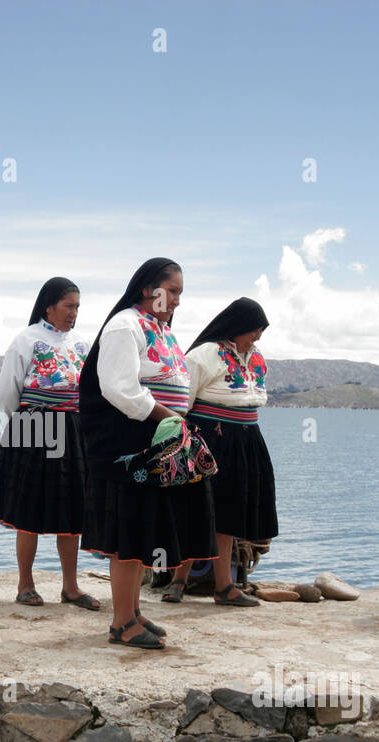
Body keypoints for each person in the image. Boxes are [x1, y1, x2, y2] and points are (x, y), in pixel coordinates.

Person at [79, 257, 218, 650]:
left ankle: (134, 612)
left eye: (179, 294)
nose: (176, 300)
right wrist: (169, 418)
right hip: (133, 445)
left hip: (157, 440)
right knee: (130, 536)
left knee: (143, 532)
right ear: (147, 288)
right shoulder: (125, 325)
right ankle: (122, 623)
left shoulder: (160, 330)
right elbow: (119, 388)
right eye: (172, 291)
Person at [0, 277, 100, 611]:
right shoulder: (26, 339)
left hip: (74, 428)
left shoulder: (81, 343)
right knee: (28, 507)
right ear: (49, 305)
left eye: (77, 307)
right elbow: (7, 391)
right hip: (32, 425)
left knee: (74, 507)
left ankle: (71, 588)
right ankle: (25, 584)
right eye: (68, 306)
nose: (73, 313)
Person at [163, 297, 275, 607]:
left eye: (261, 330)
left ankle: (224, 586)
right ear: (236, 326)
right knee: (197, 507)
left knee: (228, 512)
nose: (258, 336)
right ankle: (179, 580)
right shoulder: (204, 355)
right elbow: (182, 403)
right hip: (210, 438)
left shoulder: (257, 358)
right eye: (254, 329)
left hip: (247, 439)